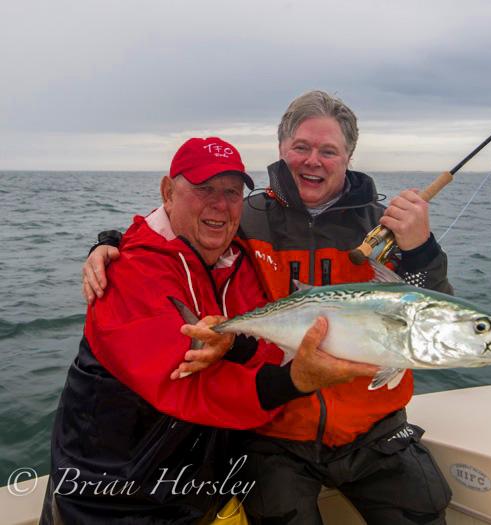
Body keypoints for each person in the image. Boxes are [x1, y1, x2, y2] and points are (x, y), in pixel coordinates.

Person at [84, 91, 453, 524]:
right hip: (275, 429)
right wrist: (110, 244)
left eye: (328, 151)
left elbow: (433, 319)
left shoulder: (389, 228)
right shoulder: (245, 215)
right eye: (301, 147)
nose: (312, 160)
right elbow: (174, 224)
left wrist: (422, 250)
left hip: (375, 428)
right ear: (281, 149)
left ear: (348, 156)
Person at [42, 136, 376, 524]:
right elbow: (187, 384)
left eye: (232, 192)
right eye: (204, 189)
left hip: (202, 490)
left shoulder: (237, 263)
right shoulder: (126, 275)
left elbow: (263, 349)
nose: (220, 204)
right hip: (109, 503)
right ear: (168, 192)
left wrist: (234, 346)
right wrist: (296, 380)